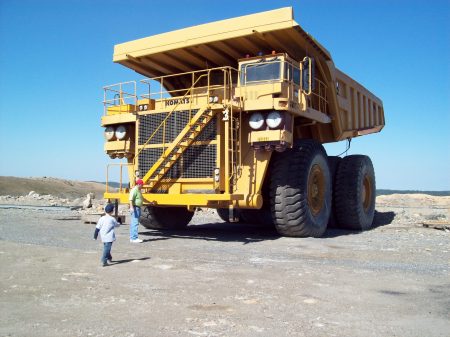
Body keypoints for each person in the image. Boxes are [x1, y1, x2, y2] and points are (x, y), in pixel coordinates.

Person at [129, 179, 144, 243]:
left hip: (137, 208)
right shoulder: (134, 190)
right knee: (135, 223)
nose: (142, 186)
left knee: (134, 223)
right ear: (138, 184)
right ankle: (134, 238)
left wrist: (150, 202)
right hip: (135, 208)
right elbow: (130, 199)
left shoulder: (139, 190)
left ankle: (133, 238)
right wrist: (131, 207)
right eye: (141, 185)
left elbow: (142, 198)